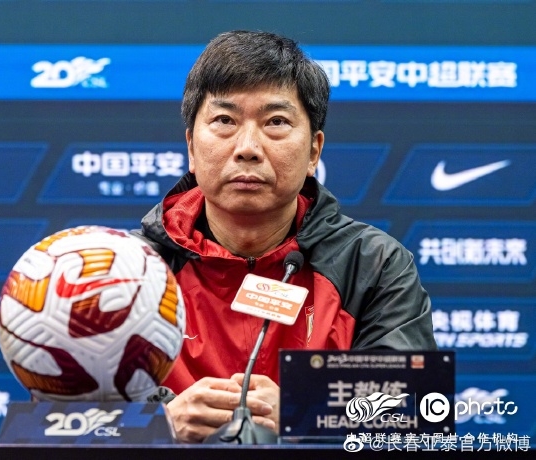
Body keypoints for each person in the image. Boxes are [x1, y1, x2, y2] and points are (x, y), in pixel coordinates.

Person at [135, 30, 437, 443]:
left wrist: (305, 413)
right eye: (225, 121)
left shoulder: (372, 264)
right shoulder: (127, 269)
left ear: (314, 151)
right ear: (191, 145)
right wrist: (157, 424)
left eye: (275, 122)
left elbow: (416, 411)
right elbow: (63, 418)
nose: (247, 148)